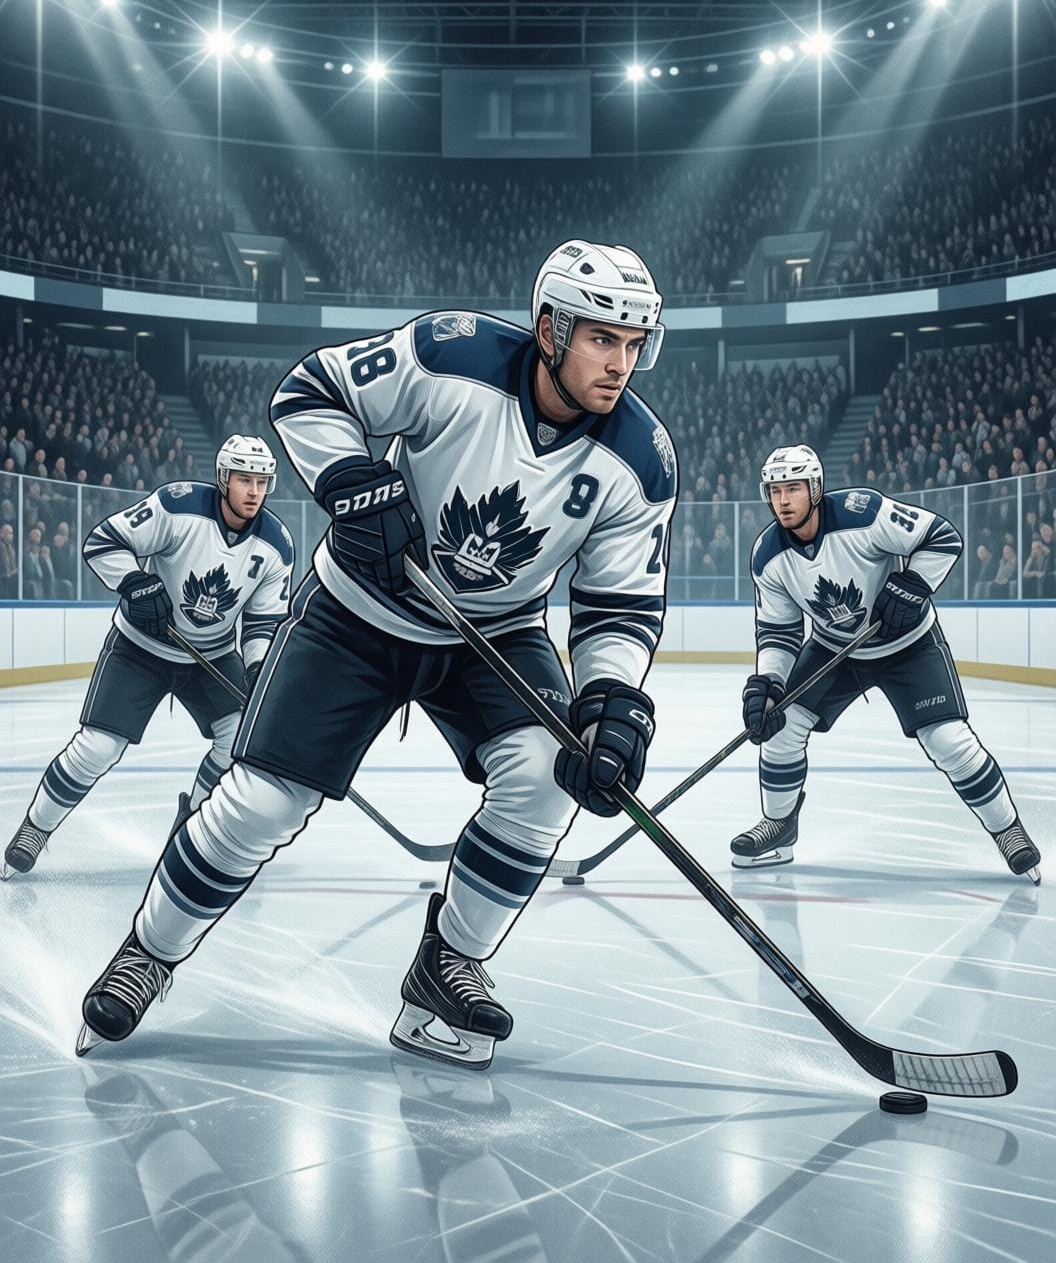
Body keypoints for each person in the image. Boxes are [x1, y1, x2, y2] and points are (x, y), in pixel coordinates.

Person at [76, 240, 677, 1066]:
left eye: (635, 342)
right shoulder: (450, 354)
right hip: (357, 614)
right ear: (550, 329)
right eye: (602, 339)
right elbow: (310, 392)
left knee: (547, 778)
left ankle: (447, 965)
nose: (621, 363)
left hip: (494, 634)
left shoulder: (642, 459)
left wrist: (610, 698)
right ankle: (149, 951)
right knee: (262, 802)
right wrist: (352, 479)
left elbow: (619, 605)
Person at [732, 444, 1040, 882]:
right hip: (835, 649)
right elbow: (779, 632)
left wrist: (914, 583)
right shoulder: (768, 555)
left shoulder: (863, 513)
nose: (783, 501)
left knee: (948, 740)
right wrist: (770, 684)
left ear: (815, 489)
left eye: (793, 488)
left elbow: (942, 537)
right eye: (775, 490)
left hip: (909, 645)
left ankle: (1008, 830)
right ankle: (780, 827)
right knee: (780, 725)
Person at [1, 437, 294, 881]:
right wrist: (136, 582)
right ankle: (35, 829)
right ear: (223, 478)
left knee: (237, 741)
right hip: (140, 648)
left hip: (211, 657)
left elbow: (261, 623)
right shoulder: (178, 506)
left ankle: (192, 832)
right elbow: (104, 542)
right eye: (244, 479)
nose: (254, 491)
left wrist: (257, 668)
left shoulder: (277, 544)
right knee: (97, 748)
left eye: (261, 481)